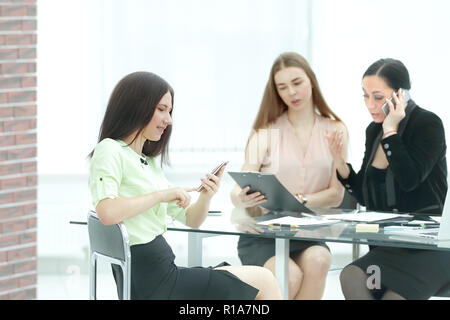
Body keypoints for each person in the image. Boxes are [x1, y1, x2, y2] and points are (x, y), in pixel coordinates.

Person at [88, 71, 282, 300]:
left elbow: (192, 220)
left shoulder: (148, 163)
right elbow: (107, 212)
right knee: (265, 281)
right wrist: (160, 195)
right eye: (161, 109)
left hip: (162, 274)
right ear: (136, 106)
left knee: (253, 283)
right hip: (154, 282)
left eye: (169, 111)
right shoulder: (110, 149)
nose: (168, 120)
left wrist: (207, 196)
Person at [327, 58, 450, 300]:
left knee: (393, 297)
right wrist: (341, 165)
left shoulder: (428, 124)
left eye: (378, 97)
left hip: (430, 246)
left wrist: (391, 131)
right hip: (391, 245)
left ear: (400, 95)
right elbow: (365, 194)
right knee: (351, 275)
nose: (369, 105)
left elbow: (410, 180)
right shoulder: (373, 130)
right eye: (365, 96)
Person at [230, 52, 348, 300]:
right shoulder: (265, 132)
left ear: (311, 81)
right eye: (282, 87)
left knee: (320, 259)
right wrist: (241, 197)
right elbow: (239, 185)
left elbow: (336, 194)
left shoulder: (335, 130)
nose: (291, 93)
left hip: (308, 233)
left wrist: (300, 200)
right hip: (264, 234)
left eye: (297, 83)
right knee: (289, 275)